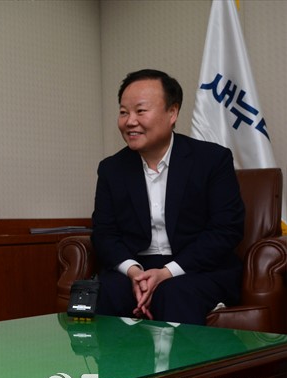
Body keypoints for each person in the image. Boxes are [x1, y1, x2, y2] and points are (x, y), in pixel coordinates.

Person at [92, 69, 245, 325]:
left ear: (172, 113)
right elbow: (104, 233)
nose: (130, 121)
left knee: (174, 293)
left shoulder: (212, 160)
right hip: (136, 265)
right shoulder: (111, 169)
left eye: (140, 111)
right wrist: (133, 272)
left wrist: (166, 273)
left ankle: (184, 356)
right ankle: (113, 356)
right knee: (107, 291)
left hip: (197, 266)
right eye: (124, 112)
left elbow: (226, 229)